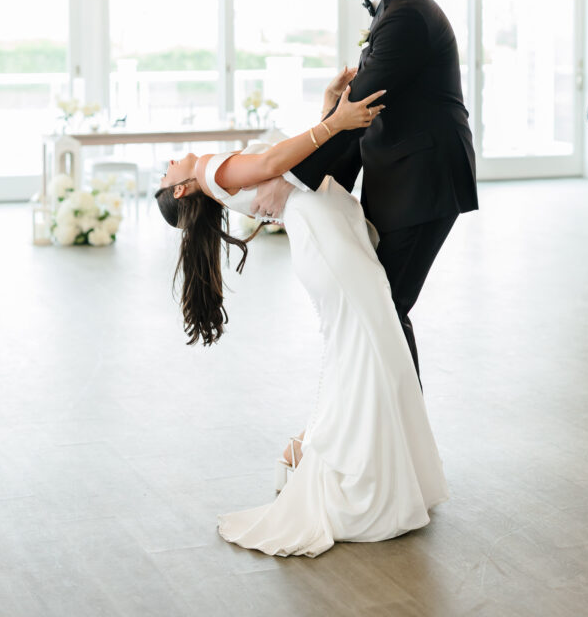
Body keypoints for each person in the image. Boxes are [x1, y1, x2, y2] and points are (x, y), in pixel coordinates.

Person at [155, 86, 448, 557]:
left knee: (364, 350)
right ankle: (331, 462)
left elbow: (289, 166)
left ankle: (312, 452)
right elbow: (272, 164)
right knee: (365, 351)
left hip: (324, 233)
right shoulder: (209, 168)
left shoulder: (211, 178)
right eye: (166, 173)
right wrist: (335, 121)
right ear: (182, 188)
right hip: (325, 239)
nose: (169, 163)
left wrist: (330, 110)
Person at [253, 0, 478, 378]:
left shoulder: (407, 16)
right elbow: (357, 112)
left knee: (382, 309)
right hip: (405, 178)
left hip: (424, 183)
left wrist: (292, 181)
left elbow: (359, 110)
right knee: (379, 310)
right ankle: (395, 436)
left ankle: (400, 440)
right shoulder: (399, 10)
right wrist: (329, 116)